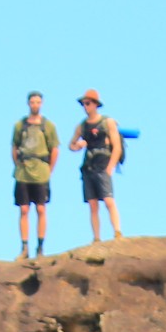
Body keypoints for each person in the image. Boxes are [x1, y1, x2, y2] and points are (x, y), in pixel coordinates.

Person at [68, 89, 122, 242]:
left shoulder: (107, 122)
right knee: (92, 204)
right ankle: (96, 237)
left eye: (88, 103)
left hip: (103, 164)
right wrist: (77, 146)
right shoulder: (82, 126)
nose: (85, 106)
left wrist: (110, 167)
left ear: (95, 105)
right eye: (83, 104)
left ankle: (117, 232)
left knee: (108, 200)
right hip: (88, 166)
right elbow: (71, 144)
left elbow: (117, 146)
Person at [11, 91, 58, 260]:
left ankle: (40, 247)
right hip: (23, 171)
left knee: (41, 208)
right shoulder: (20, 126)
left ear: (42, 104)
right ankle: (24, 247)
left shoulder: (48, 126)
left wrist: (49, 169)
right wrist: (17, 165)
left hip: (41, 171)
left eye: (38, 102)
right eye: (32, 102)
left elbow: (54, 149)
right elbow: (14, 147)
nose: (35, 105)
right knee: (24, 209)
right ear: (28, 104)